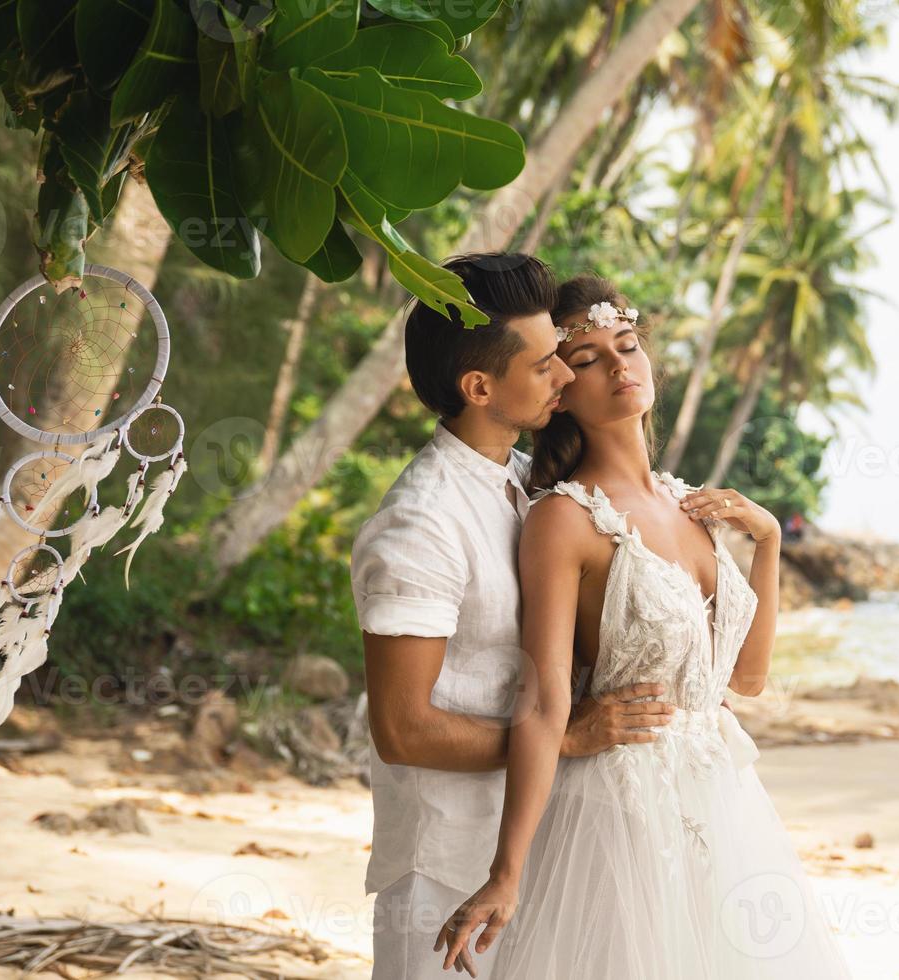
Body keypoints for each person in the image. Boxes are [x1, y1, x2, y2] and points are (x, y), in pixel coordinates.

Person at [436, 275, 853, 978]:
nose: (620, 366)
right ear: (561, 391)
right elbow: (542, 700)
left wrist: (771, 543)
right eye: (590, 359)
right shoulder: (564, 519)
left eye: (627, 347)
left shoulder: (691, 505)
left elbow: (744, 680)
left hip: (723, 802)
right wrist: (506, 873)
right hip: (621, 811)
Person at [350, 254, 683, 980]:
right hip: (444, 870)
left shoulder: (513, 489)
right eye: (544, 367)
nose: (565, 376)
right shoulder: (420, 524)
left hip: (534, 850)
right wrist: (566, 738)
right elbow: (402, 730)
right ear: (479, 387)